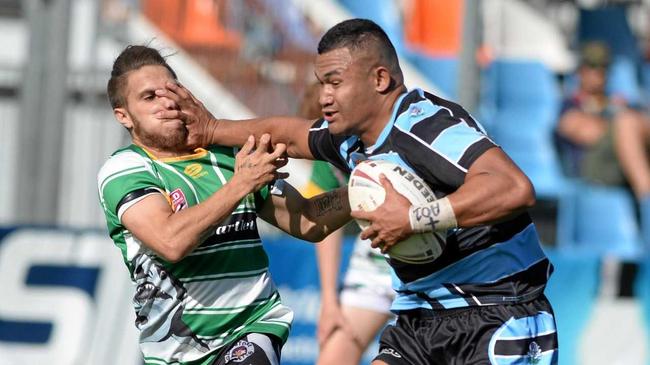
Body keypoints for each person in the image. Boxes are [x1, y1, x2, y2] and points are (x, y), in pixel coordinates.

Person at [156, 18, 558, 365]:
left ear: (379, 79)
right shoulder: (350, 139)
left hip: (498, 314)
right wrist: (212, 132)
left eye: (335, 83)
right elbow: (291, 140)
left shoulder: (425, 125)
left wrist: (413, 219)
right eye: (320, 84)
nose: (324, 97)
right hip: (420, 317)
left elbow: (514, 188)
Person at [97, 45, 351, 365]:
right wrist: (241, 185)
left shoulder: (229, 156)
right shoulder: (126, 169)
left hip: (251, 329)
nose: (166, 103)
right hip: (174, 351)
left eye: (170, 91)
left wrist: (365, 187)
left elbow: (309, 219)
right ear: (124, 116)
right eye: (149, 97)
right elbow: (171, 241)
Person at [297, 81, 394, 365]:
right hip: (375, 261)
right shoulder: (328, 156)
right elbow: (323, 225)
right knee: (333, 356)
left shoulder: (400, 141)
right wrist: (329, 302)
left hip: (433, 267)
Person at [556, 41, 650, 245]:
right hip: (593, 171)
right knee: (627, 124)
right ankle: (647, 199)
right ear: (581, 70)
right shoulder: (570, 103)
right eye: (592, 66)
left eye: (603, 67)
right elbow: (587, 132)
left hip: (621, 165)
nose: (598, 73)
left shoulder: (618, 103)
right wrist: (618, 122)